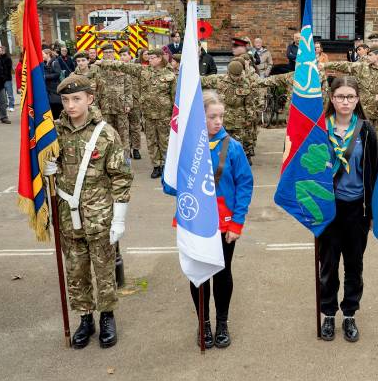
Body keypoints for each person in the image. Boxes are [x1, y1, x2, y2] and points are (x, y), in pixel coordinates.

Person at [43, 74, 132, 350]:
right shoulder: (54, 132)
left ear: (89, 99)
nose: (70, 105)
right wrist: (45, 169)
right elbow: (44, 163)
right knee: (76, 270)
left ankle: (107, 316)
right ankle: (85, 318)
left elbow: (121, 176)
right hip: (68, 215)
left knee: (104, 269)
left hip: (99, 215)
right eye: (66, 100)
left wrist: (119, 218)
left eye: (76, 99)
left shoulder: (106, 133)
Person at [190, 91, 254, 349]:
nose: (218, 122)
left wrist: (237, 223)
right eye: (211, 117)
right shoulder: (189, 146)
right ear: (199, 118)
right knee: (198, 275)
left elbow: (245, 185)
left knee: (222, 271)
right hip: (195, 222)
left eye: (221, 116)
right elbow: (171, 186)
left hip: (224, 222)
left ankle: (222, 322)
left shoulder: (233, 147)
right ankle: (203, 323)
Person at [318, 77, 378, 343]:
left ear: (357, 100)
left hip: (357, 208)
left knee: (354, 265)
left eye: (350, 97)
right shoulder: (320, 129)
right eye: (340, 96)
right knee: (329, 265)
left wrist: (374, 212)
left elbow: (376, 172)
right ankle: (329, 314)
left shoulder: (366, 131)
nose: (345, 101)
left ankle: (350, 314)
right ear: (332, 99)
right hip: (328, 209)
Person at [98, 49, 177, 178]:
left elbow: (174, 97)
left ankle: (167, 166)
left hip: (164, 115)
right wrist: (104, 62)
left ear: (160, 58)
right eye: (149, 58)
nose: (149, 60)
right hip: (148, 114)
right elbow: (124, 66)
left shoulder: (170, 75)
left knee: (165, 141)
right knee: (151, 141)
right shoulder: (143, 71)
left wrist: (174, 116)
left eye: (152, 58)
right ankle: (156, 166)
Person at [202, 60, 266, 160]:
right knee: (220, 144)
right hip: (223, 120)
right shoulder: (219, 80)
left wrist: (250, 119)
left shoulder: (245, 84)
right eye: (234, 75)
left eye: (238, 75)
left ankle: (237, 162)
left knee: (237, 146)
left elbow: (249, 104)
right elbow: (202, 81)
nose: (236, 78)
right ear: (229, 73)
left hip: (239, 122)